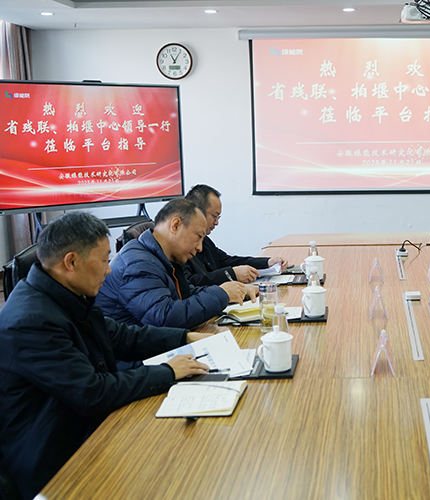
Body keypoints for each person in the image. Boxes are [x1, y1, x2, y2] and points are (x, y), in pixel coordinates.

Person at [0, 212, 213, 499]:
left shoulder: (64, 295)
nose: (109, 270)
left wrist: (184, 338)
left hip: (90, 430)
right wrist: (168, 371)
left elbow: (120, 336)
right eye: (103, 261)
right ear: (71, 262)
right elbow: (91, 392)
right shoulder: (30, 320)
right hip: (58, 462)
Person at [96, 198, 253, 329]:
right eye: (198, 237)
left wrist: (233, 290)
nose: (200, 248)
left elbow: (186, 293)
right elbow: (165, 318)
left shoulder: (160, 257)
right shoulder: (137, 264)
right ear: (175, 225)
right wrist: (222, 294)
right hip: (135, 355)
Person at [183, 184, 287, 286]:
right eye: (215, 216)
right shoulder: (180, 247)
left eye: (218, 217)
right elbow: (190, 284)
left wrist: (267, 262)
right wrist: (232, 274)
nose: (217, 223)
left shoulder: (206, 241)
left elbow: (228, 261)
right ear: (198, 212)